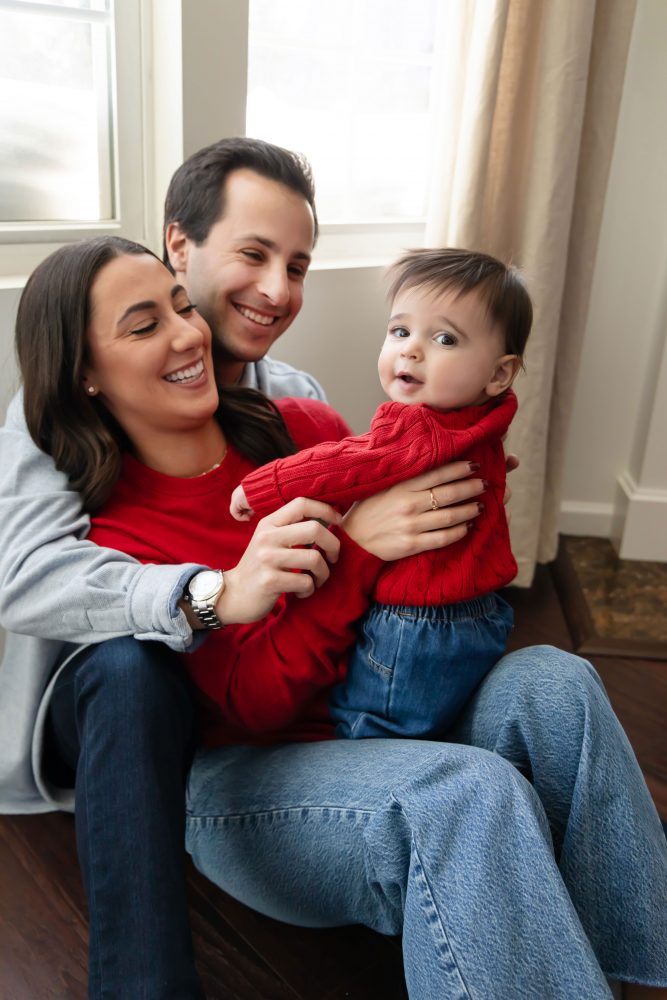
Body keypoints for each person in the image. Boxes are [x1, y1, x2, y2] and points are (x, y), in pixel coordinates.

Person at [16, 235, 667, 1000]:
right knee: (465, 789)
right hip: (252, 783)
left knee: (558, 681)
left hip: (380, 714)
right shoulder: (119, 540)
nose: (188, 334)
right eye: (142, 325)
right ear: (85, 374)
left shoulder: (302, 427)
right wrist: (351, 550)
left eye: (181, 305)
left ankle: (641, 965)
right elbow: (251, 704)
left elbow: (418, 494)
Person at [0, 138, 488, 998]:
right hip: (124, 707)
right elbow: (25, 578)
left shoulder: (290, 405)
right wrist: (215, 592)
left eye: (297, 264)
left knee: (546, 696)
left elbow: (366, 555)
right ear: (180, 246)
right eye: (254, 255)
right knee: (129, 666)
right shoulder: (56, 434)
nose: (277, 290)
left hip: (287, 704)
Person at [230, 247, 530, 739]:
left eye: (444, 338)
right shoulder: (485, 423)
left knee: (375, 725)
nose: (411, 350)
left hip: (414, 624)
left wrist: (264, 485)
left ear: (499, 373)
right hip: (485, 614)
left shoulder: (417, 426)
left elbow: (348, 464)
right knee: (444, 712)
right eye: (400, 331)